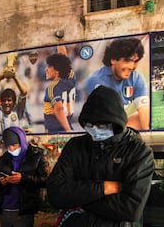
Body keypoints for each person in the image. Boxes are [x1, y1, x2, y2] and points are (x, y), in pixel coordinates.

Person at [46, 85, 154, 227]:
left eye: (102, 125)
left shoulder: (138, 152)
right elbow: (55, 194)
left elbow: (130, 209)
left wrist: (79, 201)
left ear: (117, 122)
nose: (95, 130)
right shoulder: (75, 147)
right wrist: (103, 188)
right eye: (89, 125)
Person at [85, 37, 149, 130]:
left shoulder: (136, 78)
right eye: (127, 60)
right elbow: (103, 122)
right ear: (113, 60)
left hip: (119, 127)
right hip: (100, 131)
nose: (131, 66)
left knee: (150, 114)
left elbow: (144, 112)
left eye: (135, 61)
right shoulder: (97, 81)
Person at [0, 126, 50, 227]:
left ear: (22, 141)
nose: (11, 149)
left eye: (14, 145)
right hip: (5, 209)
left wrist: (23, 178)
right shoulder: (4, 158)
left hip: (24, 210)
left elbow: (45, 180)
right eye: (8, 146)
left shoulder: (36, 156)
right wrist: (0, 181)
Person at [0, 63, 28, 134]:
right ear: (1, 102)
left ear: (14, 102)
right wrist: (0, 78)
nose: (6, 103)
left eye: (9, 100)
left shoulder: (17, 111)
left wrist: (14, 77)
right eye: (4, 101)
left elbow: (24, 92)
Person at [43, 46, 76, 133]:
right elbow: (63, 60)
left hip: (55, 133)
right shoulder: (71, 78)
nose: (46, 69)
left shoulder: (52, 87)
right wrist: (60, 42)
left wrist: (67, 130)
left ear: (57, 70)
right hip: (69, 127)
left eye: (49, 66)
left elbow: (59, 109)